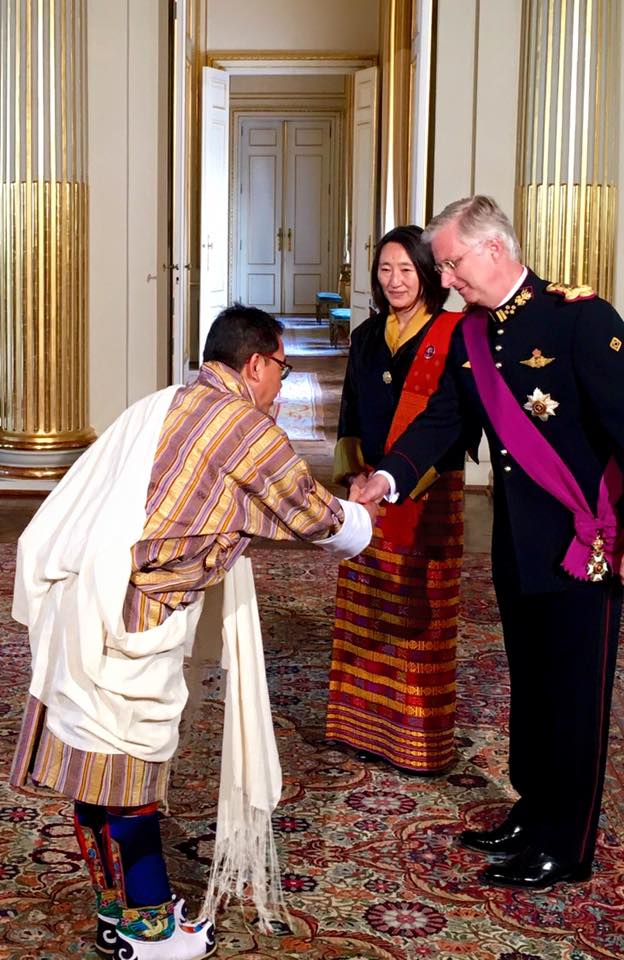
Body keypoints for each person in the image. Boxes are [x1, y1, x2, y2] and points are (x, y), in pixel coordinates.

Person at [10, 304, 376, 959]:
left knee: (96, 764)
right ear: (257, 363)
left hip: (82, 596)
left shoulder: (162, 402)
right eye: (281, 371)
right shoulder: (242, 425)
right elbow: (306, 511)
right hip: (133, 609)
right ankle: (147, 930)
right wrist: (362, 517)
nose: (279, 388)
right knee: (128, 770)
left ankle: (113, 910)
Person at [355, 196, 624, 888]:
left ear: (495, 249)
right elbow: (445, 417)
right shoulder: (474, 334)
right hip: (518, 545)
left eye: (451, 263)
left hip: (581, 547)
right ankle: (534, 813)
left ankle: (566, 845)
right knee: (532, 688)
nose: (444, 278)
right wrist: (388, 477)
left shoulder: (580, 319)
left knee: (575, 696)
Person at [327, 225, 473, 774]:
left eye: (406, 270)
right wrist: (351, 479)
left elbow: (454, 422)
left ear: (429, 275)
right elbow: (351, 410)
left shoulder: (454, 335)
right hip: (369, 491)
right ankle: (361, 726)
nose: (395, 280)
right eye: (386, 270)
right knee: (369, 608)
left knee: (418, 615)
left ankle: (416, 739)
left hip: (428, 491)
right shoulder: (366, 335)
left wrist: (402, 477)